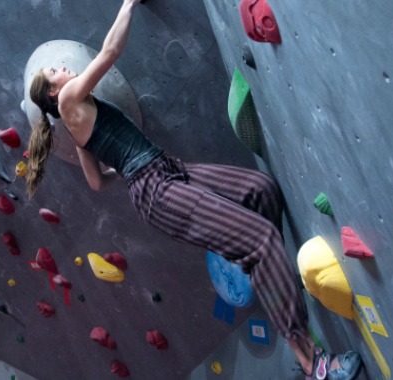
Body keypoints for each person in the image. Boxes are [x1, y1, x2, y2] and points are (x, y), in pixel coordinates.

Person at [24, 1, 362, 379]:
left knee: (260, 189)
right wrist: (128, 5)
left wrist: (124, 171)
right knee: (262, 239)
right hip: (156, 190)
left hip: (164, 171)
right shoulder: (70, 102)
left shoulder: (78, 123)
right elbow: (110, 52)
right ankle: (313, 362)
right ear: (54, 95)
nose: (64, 68)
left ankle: (273, 281)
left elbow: (95, 182)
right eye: (55, 72)